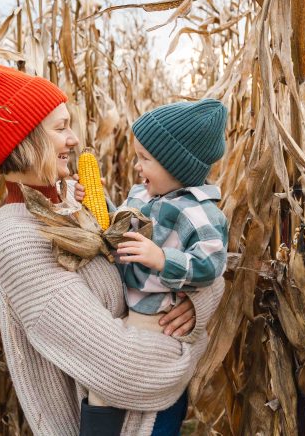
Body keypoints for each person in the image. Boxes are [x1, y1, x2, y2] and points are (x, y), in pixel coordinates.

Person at [0, 62, 225, 436]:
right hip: (121, 419)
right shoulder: (17, 240)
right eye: (60, 127)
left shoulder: (71, 201)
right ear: (25, 138)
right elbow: (119, 368)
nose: (74, 139)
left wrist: (194, 306)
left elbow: (200, 261)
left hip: (153, 409)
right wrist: (190, 346)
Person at [75, 100, 229, 426]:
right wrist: (95, 201)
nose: (136, 166)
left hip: (157, 320)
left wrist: (163, 260)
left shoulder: (199, 213)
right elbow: (122, 227)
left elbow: (211, 263)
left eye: (145, 159)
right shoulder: (144, 196)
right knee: (104, 387)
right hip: (130, 309)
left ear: (178, 166)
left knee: (114, 386)